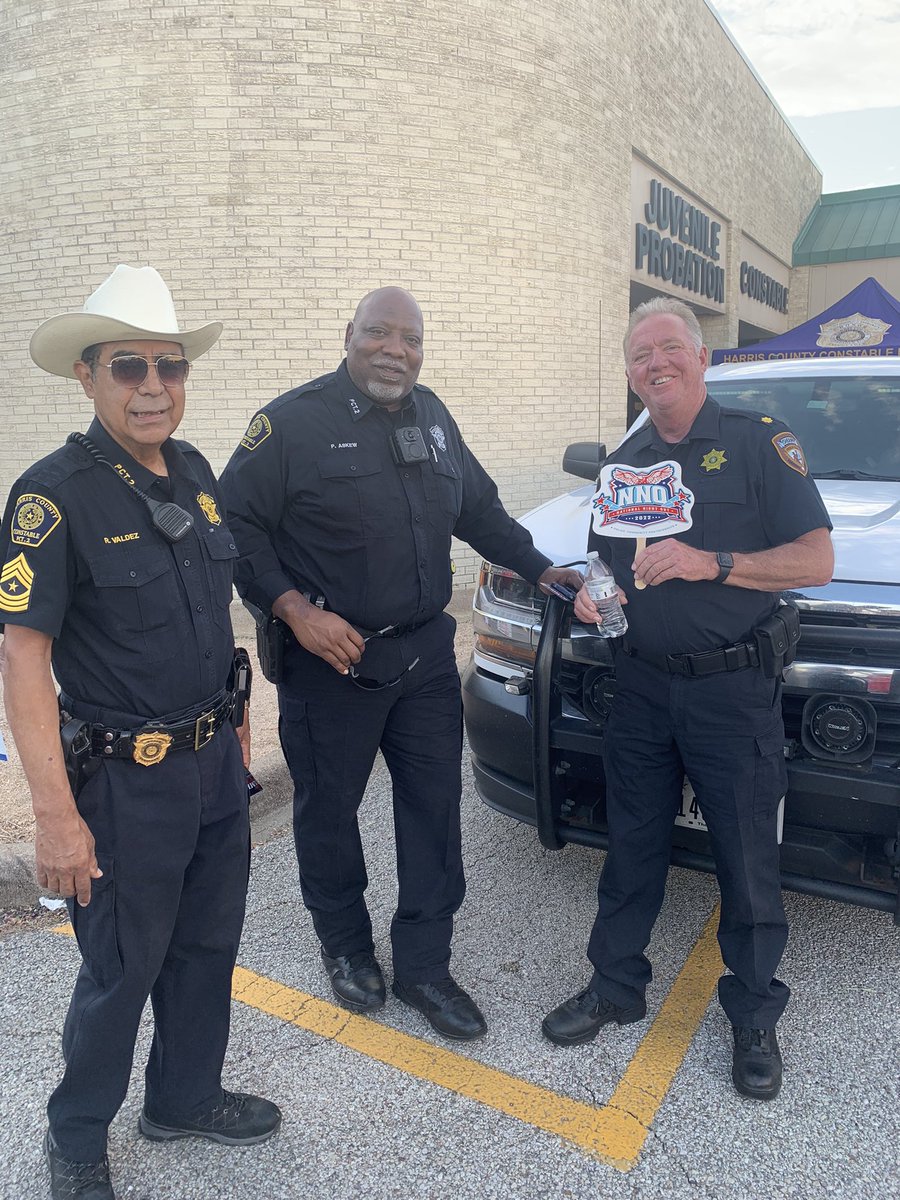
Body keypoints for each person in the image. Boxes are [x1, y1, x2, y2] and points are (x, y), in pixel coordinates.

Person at [219, 287, 581, 1042]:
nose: (395, 350)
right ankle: (346, 945)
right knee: (328, 811)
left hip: (423, 658)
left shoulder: (433, 416)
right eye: (378, 333)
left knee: (432, 811)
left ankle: (424, 963)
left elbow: (479, 510)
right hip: (334, 663)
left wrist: (543, 569)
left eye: (409, 338)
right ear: (348, 335)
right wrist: (295, 611)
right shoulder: (289, 423)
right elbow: (235, 526)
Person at [0, 266, 281, 1200]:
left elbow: (209, 619)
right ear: (87, 376)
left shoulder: (196, 473)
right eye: (130, 367)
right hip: (124, 787)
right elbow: (23, 659)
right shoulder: (51, 498)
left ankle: (183, 1098)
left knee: (208, 951)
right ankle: (76, 1141)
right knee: (121, 974)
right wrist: (54, 816)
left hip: (211, 770)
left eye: (170, 366)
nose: (154, 385)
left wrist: (236, 739)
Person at [541, 296, 833, 1101]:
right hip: (639, 687)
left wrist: (715, 562)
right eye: (640, 356)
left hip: (730, 691)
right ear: (631, 374)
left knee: (745, 857)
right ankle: (614, 985)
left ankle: (752, 1012)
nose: (655, 364)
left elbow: (816, 560)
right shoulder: (624, 462)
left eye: (670, 348)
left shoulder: (756, 441)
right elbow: (604, 565)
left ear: (702, 359)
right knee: (631, 845)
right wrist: (596, 598)